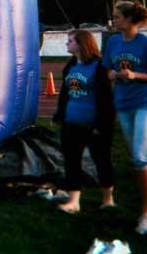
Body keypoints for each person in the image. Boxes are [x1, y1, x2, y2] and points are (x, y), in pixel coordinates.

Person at [102, 1, 147, 236]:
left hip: (146, 104)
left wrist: (134, 74)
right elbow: (107, 68)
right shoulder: (113, 42)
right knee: (140, 155)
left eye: (117, 16)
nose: (114, 20)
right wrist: (112, 74)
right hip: (124, 104)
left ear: (130, 19)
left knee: (140, 158)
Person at [53, 30, 115, 213]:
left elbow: (106, 100)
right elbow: (65, 94)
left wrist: (102, 125)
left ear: (81, 44)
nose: (67, 44)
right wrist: (59, 114)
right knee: (72, 160)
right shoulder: (70, 67)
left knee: (101, 160)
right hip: (71, 123)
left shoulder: (99, 67)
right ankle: (74, 201)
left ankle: (108, 198)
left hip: (94, 125)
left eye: (70, 41)